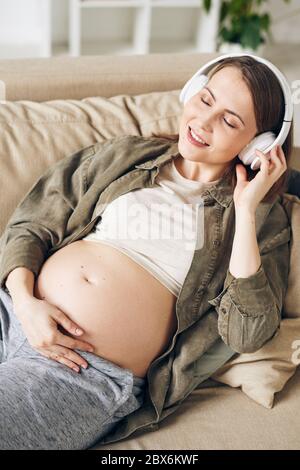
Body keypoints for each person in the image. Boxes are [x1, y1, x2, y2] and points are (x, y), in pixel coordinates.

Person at [0, 54, 298, 450]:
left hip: (79, 370)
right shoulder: (127, 155)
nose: (204, 123)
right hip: (13, 311)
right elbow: (33, 222)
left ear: (258, 145)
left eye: (230, 121)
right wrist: (24, 302)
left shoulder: (262, 220)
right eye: (205, 100)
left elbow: (247, 333)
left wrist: (245, 210)